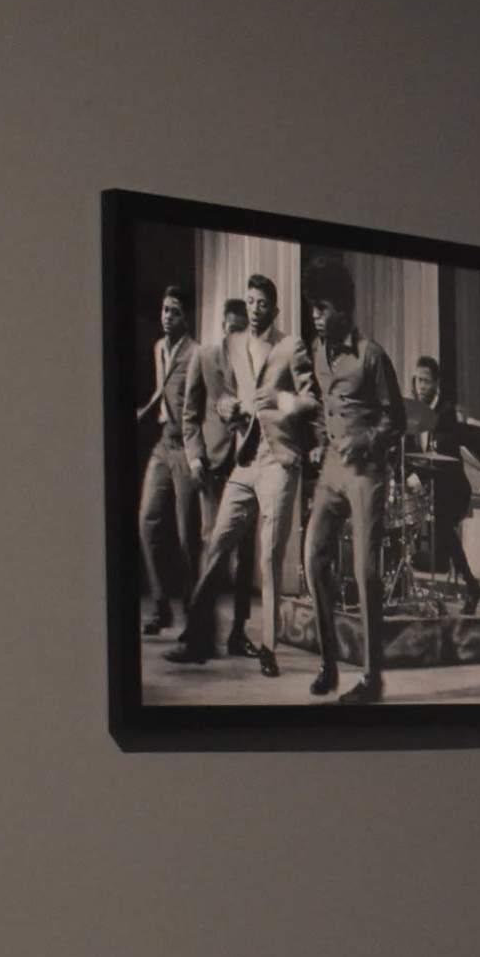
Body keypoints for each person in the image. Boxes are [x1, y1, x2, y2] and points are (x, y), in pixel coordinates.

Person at [183, 272, 311, 674]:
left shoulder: (291, 346)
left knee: (269, 556)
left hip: (278, 460)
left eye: (262, 304)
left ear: (275, 309)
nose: (254, 309)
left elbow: (311, 401)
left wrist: (280, 398)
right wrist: (227, 408)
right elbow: (227, 396)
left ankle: (268, 649)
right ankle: (194, 630)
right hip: (245, 459)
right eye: (250, 301)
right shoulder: (234, 344)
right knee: (218, 543)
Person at [300, 291, 401, 700]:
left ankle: (372, 678)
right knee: (313, 557)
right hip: (331, 469)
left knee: (366, 571)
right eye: (312, 308)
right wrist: (318, 441)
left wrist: (365, 440)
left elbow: (396, 419)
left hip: (366, 471)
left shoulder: (371, 355)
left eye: (322, 308)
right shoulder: (316, 350)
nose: (315, 315)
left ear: (342, 310)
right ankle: (328, 665)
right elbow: (323, 408)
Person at [132, 284, 220, 638]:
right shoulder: (159, 348)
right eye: (165, 310)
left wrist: (201, 454)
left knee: (187, 538)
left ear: (187, 318)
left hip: (185, 448)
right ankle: (160, 607)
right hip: (162, 444)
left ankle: (192, 615)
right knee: (147, 521)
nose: (167, 317)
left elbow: (206, 406)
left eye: (175, 312)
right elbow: (162, 391)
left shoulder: (197, 353)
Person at [395, 354, 480, 585]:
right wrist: (406, 476)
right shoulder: (414, 413)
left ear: (436, 383)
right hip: (428, 489)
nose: (421, 386)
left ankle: (469, 582)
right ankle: (405, 575)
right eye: (418, 380)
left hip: (453, 489)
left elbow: (441, 457)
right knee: (399, 515)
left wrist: (419, 477)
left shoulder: (446, 413)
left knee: (442, 523)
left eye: (426, 381)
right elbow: (411, 452)